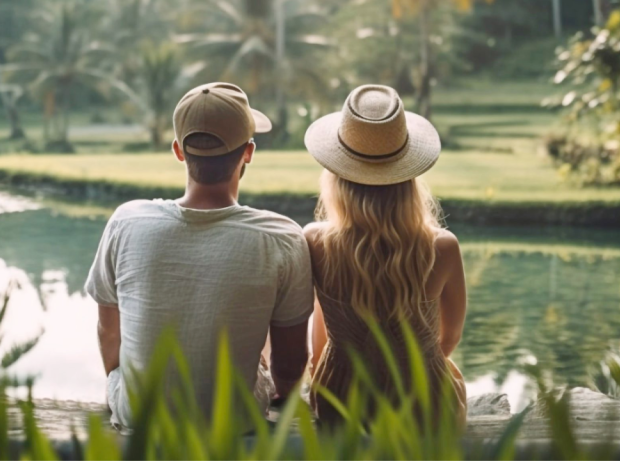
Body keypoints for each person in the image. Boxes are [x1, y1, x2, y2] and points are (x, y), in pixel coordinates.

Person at [85, 82, 313, 430]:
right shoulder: (282, 237)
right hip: (234, 420)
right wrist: (280, 394)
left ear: (178, 150)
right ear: (248, 152)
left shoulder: (127, 221)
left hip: (139, 415)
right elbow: (290, 365)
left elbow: (108, 331)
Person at [302, 84, 467, 426]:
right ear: (408, 178)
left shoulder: (315, 241)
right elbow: (449, 337)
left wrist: (324, 376)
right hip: (425, 405)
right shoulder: (442, 246)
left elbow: (320, 331)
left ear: (336, 177)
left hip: (343, 404)